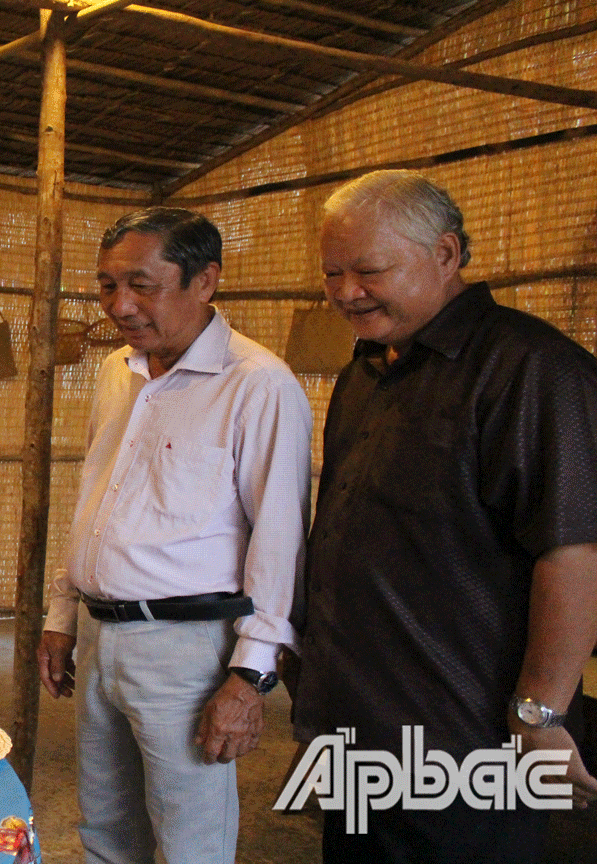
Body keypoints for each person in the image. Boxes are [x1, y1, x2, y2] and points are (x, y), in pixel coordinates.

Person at [291, 169, 597, 862]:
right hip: (362, 730)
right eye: (333, 272)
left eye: (369, 270)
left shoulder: (533, 369)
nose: (345, 292)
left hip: (466, 742)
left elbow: (575, 550)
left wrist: (539, 713)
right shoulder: (367, 370)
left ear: (447, 254)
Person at [37, 207, 312, 864]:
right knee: (104, 829)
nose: (120, 305)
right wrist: (61, 613)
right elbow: (93, 499)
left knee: (191, 844)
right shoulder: (117, 372)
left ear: (205, 281)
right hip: (103, 638)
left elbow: (281, 543)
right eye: (107, 286)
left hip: (188, 651)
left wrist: (249, 678)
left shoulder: (258, 385)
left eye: (142, 284)